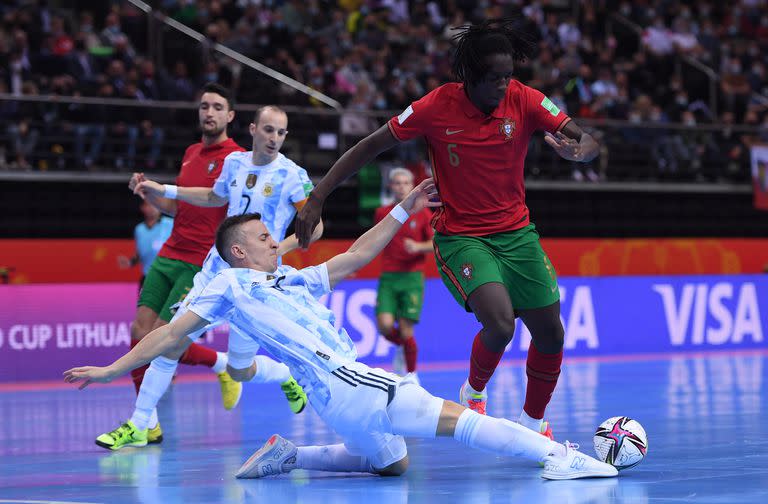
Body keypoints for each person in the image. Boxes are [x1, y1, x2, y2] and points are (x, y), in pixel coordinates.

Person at [64, 179, 617, 481]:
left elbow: (355, 255)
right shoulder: (227, 287)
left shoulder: (291, 279)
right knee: (461, 421)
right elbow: (168, 335)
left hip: (335, 404)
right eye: (261, 237)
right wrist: (113, 369)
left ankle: (293, 455)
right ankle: (557, 457)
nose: (270, 240)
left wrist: (402, 209)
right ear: (238, 251)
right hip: (350, 381)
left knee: (393, 465)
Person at [295, 19, 600, 436]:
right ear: (471, 77)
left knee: (551, 335)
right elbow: (370, 144)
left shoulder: (524, 99)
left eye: (508, 77)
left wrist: (581, 153)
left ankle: (532, 423)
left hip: (518, 234)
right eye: (494, 79)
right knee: (500, 323)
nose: (503, 85)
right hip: (463, 238)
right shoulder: (435, 107)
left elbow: (583, 137)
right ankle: (474, 391)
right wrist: (318, 195)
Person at [95, 105, 323, 450]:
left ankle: (284, 375)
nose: (274, 138)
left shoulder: (293, 174)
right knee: (170, 343)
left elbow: (315, 227)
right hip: (215, 273)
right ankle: (140, 424)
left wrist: (277, 250)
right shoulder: (234, 163)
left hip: (255, 284)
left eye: (281, 132)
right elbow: (213, 196)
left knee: (240, 371)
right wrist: (165, 191)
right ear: (253, 129)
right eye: (269, 130)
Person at [114, 83, 244, 448]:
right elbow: (178, 207)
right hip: (169, 254)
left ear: (230, 116)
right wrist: (150, 192)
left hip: (199, 262)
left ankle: (221, 366)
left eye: (218, 106)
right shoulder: (190, 153)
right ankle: (149, 424)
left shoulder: (236, 158)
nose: (209, 112)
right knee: (138, 333)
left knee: (162, 338)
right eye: (204, 106)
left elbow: (218, 202)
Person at [374, 168, 434, 378]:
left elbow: (436, 243)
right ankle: (404, 348)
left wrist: (418, 247)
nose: (401, 186)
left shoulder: (423, 214)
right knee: (384, 326)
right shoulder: (382, 213)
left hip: (412, 277)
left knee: (408, 330)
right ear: (391, 187)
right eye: (397, 183)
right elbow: (374, 241)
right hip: (389, 277)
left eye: (405, 183)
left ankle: (411, 375)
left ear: (412, 186)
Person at [117, 200, 174, 289]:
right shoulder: (139, 229)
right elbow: (140, 254)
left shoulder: (171, 223)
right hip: (147, 276)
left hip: (167, 276)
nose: (152, 208)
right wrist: (130, 262)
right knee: (143, 302)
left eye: (155, 205)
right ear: (142, 208)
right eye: (148, 205)